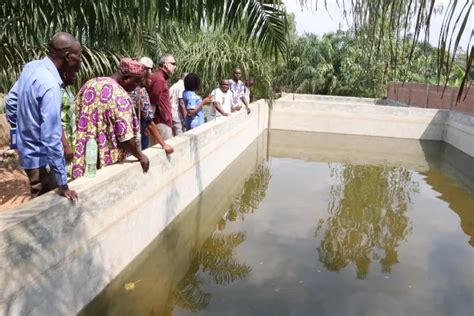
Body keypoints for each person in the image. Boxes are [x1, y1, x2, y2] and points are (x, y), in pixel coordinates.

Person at [13, 32, 82, 200]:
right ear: (67, 56)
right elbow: (51, 137)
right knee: (46, 210)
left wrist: (22, 133)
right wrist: (63, 184)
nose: (80, 61)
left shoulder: (32, 67)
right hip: (42, 160)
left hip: (28, 153)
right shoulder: (50, 85)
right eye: (79, 56)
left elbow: (12, 102)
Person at [71, 58, 150, 179]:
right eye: (137, 82)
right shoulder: (119, 96)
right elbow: (126, 138)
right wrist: (141, 156)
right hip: (107, 162)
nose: (138, 86)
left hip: (84, 159)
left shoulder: (90, 84)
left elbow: (75, 112)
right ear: (126, 78)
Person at [129, 57, 173, 153]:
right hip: (142, 129)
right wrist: (164, 144)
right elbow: (152, 105)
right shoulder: (140, 91)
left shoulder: (128, 89)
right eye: (173, 63)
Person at [148, 53, 176, 140]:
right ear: (166, 64)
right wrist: (150, 122)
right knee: (166, 151)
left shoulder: (158, 77)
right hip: (161, 122)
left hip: (161, 122)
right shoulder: (159, 79)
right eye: (173, 64)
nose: (175, 66)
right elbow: (153, 101)